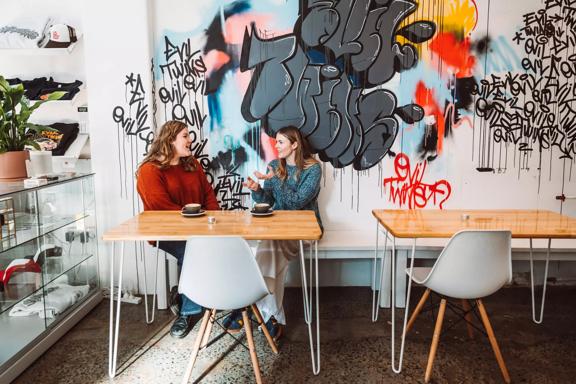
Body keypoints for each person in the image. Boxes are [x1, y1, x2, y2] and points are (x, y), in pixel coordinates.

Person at [224, 126, 323, 341]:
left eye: (280, 142)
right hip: (277, 228)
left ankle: (249, 302)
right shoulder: (273, 165)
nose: (275, 145)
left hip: (304, 229)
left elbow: (298, 203)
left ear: (294, 144)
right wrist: (257, 190)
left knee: (269, 246)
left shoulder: (313, 169)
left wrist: (276, 179)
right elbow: (267, 203)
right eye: (275, 141)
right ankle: (271, 316)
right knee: (271, 245)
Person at [136, 120, 220, 338]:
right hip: (165, 233)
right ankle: (187, 311)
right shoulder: (149, 170)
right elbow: (160, 208)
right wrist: (199, 225)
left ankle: (186, 295)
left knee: (224, 246)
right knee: (194, 250)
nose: (190, 140)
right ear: (170, 139)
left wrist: (217, 222)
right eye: (185, 135)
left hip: (199, 230)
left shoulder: (192, 164)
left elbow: (208, 196)